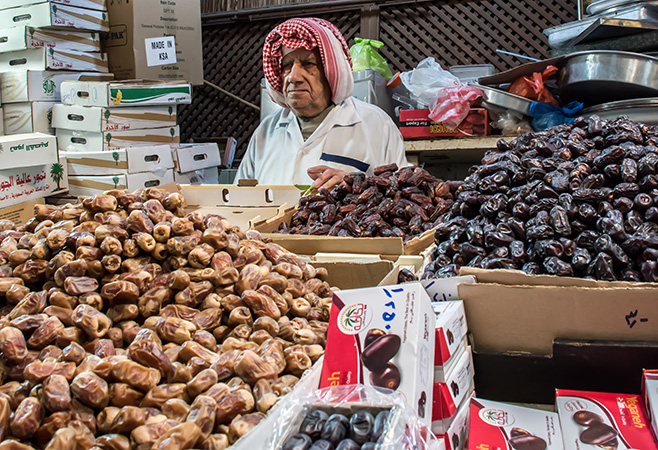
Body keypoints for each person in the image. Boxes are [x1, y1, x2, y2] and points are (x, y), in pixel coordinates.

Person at [236, 17, 408, 190]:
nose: (293, 77)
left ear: (331, 72)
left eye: (308, 64)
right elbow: (239, 198)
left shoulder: (377, 125)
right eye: (287, 65)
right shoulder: (266, 132)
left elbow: (402, 196)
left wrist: (357, 186)